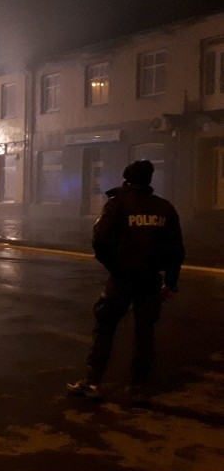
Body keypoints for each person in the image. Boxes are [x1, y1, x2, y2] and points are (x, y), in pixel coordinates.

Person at [67, 160, 184, 404]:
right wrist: (170, 282)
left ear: (126, 180)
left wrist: (115, 266)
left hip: (122, 279)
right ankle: (138, 387)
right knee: (145, 332)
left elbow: (99, 240)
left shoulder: (117, 204)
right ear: (149, 180)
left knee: (105, 327)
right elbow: (175, 249)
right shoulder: (164, 208)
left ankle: (93, 381)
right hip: (150, 280)